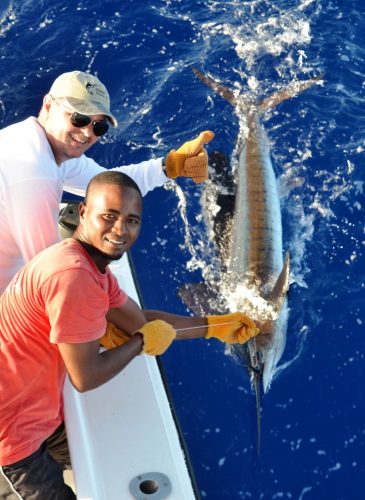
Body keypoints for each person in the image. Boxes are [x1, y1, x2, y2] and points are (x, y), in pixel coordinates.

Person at [0, 171, 260, 499]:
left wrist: (215, 327)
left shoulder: (88, 265)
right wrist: (140, 343)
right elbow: (86, 376)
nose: (121, 229)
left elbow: (140, 321)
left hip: (39, 407)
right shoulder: (72, 278)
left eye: (132, 220)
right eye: (109, 216)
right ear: (83, 212)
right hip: (12, 437)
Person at [0, 69, 214, 294]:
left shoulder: (41, 144)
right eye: (79, 118)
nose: (86, 133)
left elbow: (111, 186)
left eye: (98, 126)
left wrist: (170, 166)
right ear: (48, 105)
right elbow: (52, 278)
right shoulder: (35, 173)